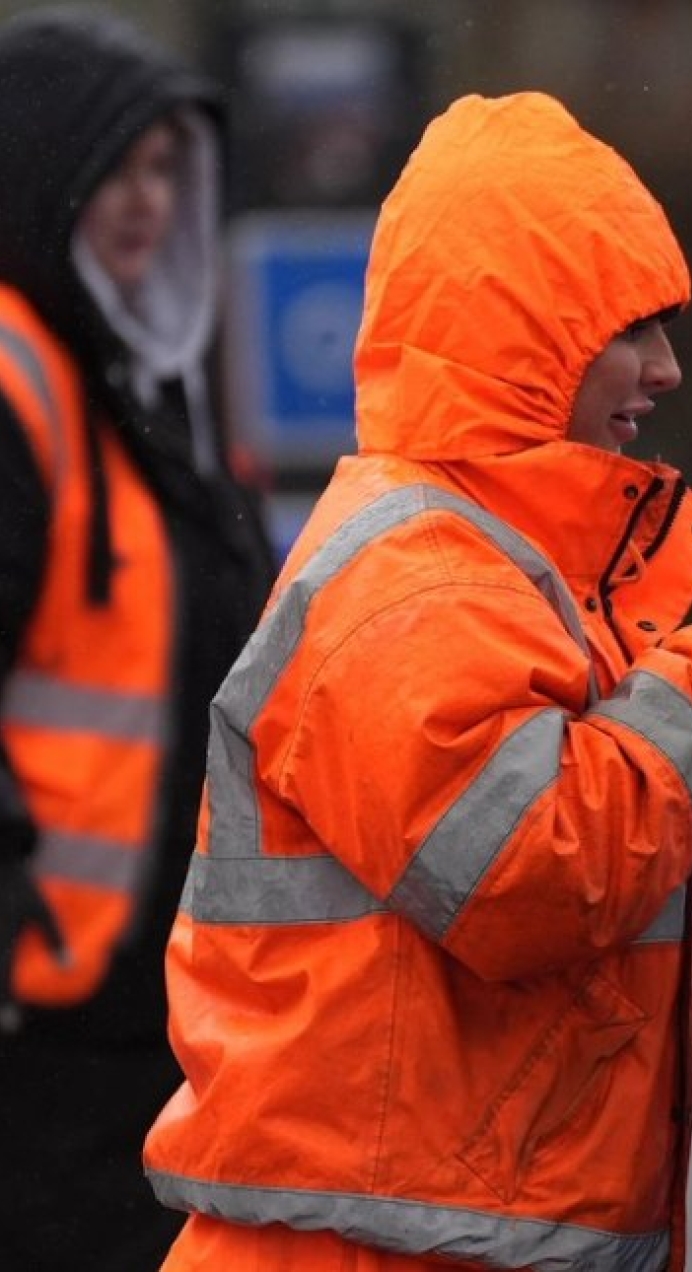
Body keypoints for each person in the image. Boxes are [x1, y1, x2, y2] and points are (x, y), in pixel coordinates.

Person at [142, 90, 692, 1271]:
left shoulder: (485, 562)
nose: (668, 370)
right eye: (633, 328)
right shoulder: (420, 577)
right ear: (524, 338)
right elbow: (531, 876)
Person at [0, 7, 278, 1270]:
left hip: (127, 1007)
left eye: (170, 166)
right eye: (118, 161)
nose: (147, 198)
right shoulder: (26, 378)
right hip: (47, 1014)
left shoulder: (123, 381)